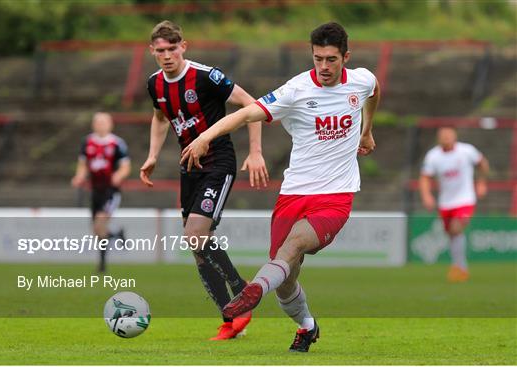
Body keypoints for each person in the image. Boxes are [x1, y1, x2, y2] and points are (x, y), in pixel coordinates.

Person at [181, 22, 379, 352]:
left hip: (336, 196)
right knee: (286, 280)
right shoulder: (296, 90)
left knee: (294, 245)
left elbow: (373, 93)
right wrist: (205, 136)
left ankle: (254, 289)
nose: (324, 67)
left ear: (346, 56)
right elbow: (246, 114)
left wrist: (367, 130)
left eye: (331, 59)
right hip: (293, 194)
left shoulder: (362, 79)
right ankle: (307, 326)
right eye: (318, 59)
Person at [139, 20, 269, 340]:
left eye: (172, 49)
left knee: (195, 235)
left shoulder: (206, 76)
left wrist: (255, 152)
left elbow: (253, 106)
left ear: (184, 46)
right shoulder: (155, 84)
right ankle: (230, 320)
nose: (167, 55)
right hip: (189, 166)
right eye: (160, 51)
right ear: (151, 52)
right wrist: (153, 154)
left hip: (218, 161)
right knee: (197, 247)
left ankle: (241, 292)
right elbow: (160, 116)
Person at [419, 127, 489, 282]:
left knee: (456, 228)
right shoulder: (433, 156)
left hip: (465, 199)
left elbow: (483, 163)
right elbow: (425, 178)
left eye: (449, 135)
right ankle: (458, 266)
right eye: (443, 136)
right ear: (439, 138)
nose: (446, 138)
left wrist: (482, 183)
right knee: (451, 233)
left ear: (455, 136)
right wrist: (426, 195)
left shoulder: (467, 151)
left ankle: (460, 268)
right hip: (446, 202)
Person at [71, 112, 131, 272]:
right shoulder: (87, 142)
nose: (100, 125)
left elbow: (126, 167)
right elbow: (83, 164)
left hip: (110, 191)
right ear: (93, 124)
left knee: (100, 225)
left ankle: (102, 266)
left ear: (110, 124)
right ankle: (117, 235)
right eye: (97, 122)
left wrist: (118, 176)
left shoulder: (117, 143)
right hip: (95, 190)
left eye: (103, 122)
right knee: (97, 231)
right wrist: (79, 177)